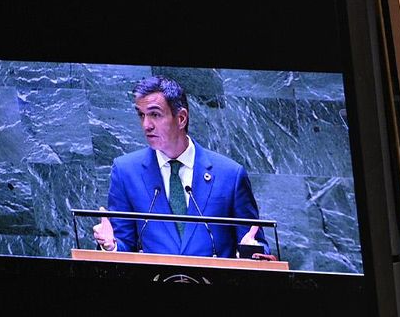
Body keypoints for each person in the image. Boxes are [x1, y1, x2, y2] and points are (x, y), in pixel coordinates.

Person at [91, 75, 269, 259]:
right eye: (141, 115)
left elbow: (255, 243)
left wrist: (250, 251)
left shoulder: (230, 175)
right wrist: (111, 246)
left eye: (155, 114)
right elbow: (124, 246)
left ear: (181, 118)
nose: (146, 125)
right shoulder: (126, 172)